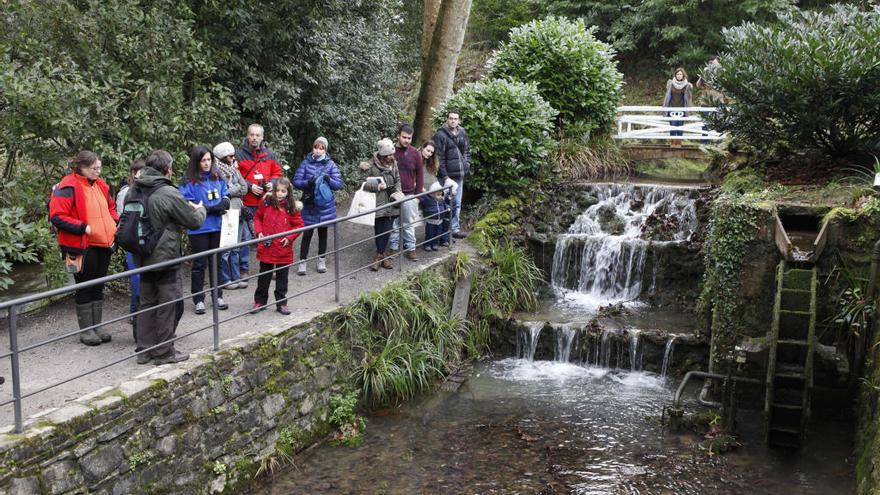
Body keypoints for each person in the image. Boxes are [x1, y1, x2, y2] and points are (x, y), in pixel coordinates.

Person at [132, 150, 206, 365]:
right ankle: (164, 352)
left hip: (142, 256)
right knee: (168, 302)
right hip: (164, 257)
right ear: (167, 170)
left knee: (146, 302)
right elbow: (193, 220)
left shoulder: (135, 189)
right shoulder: (166, 192)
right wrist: (200, 209)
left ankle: (144, 350)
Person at [49, 151, 118, 346]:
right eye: (94, 168)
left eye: (99, 167)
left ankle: (97, 326)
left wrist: (114, 222)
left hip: (104, 243)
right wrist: (83, 227)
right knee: (84, 286)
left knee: (98, 285)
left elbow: (111, 207)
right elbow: (57, 216)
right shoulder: (67, 186)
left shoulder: (101, 185)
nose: (98, 171)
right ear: (81, 167)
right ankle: (87, 330)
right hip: (80, 246)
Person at [179, 146, 230, 314]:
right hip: (198, 229)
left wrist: (206, 208)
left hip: (217, 226)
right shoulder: (188, 180)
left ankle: (218, 295)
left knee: (217, 262)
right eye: (203, 161)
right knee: (199, 264)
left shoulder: (218, 176)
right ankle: (198, 299)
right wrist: (213, 208)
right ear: (196, 162)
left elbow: (226, 201)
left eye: (209, 160)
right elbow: (189, 205)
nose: (207, 163)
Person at [236, 124, 283, 281]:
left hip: (266, 202)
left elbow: (277, 173)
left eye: (257, 135)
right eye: (252, 135)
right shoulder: (239, 154)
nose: (254, 138)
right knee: (245, 237)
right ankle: (244, 270)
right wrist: (250, 187)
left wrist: (272, 183)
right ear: (248, 136)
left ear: (262, 137)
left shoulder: (269, 154)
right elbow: (236, 177)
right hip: (247, 202)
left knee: (269, 234)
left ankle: (270, 267)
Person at [252, 178, 304, 315]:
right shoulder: (266, 203)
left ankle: (281, 303)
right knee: (264, 276)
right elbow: (257, 217)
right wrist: (259, 232)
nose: (279, 193)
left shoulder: (291, 207)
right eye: (277, 190)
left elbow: (299, 225)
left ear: (288, 192)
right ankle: (260, 301)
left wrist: (289, 237)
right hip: (267, 246)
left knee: (282, 278)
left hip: (283, 249)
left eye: (283, 191)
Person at [292, 136, 343, 275]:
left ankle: (321, 260)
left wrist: (329, 179)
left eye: (322, 148)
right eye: (316, 147)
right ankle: (302, 262)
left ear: (326, 150)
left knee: (323, 233)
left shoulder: (331, 164)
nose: (318, 151)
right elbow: (296, 181)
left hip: (325, 206)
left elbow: (339, 184)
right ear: (312, 148)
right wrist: (308, 182)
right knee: (307, 233)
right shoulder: (305, 163)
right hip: (309, 204)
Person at [360, 138, 403, 271]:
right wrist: (377, 186)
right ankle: (381, 256)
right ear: (382, 155)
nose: (392, 156)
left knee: (388, 229)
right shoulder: (370, 165)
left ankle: (379, 256)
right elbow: (361, 183)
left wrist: (397, 192)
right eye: (389, 155)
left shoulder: (393, 164)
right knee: (379, 230)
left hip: (391, 201)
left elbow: (397, 179)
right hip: (377, 202)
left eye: (392, 154)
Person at [213, 142, 249, 289]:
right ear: (222, 157)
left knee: (236, 246)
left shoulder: (234, 169)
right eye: (230, 156)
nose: (233, 158)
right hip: (227, 212)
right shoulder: (217, 171)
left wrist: (233, 189)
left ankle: (236, 276)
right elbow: (224, 190)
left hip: (238, 211)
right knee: (226, 247)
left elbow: (244, 187)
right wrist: (236, 189)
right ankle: (226, 278)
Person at [116, 158, 145, 328]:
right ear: (133, 173)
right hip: (133, 241)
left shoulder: (149, 189)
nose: (140, 174)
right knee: (136, 278)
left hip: (146, 240)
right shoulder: (125, 193)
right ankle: (135, 314)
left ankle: (141, 314)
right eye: (137, 171)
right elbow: (123, 219)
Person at [432, 109, 470, 239]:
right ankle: (442, 232)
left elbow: (467, 150)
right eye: (451, 118)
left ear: (459, 120)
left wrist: (467, 164)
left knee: (457, 203)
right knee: (444, 203)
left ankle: (454, 229)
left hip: (459, 174)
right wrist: (445, 176)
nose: (453, 120)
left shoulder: (462, 132)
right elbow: (439, 158)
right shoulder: (440, 135)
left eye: (455, 118)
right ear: (447, 119)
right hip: (447, 176)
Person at [388, 124, 424, 261]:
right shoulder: (390, 151)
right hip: (393, 194)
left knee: (408, 223)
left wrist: (418, 196)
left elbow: (420, 176)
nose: (407, 140)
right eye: (404, 137)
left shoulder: (415, 153)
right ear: (398, 135)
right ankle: (393, 248)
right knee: (394, 224)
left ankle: (411, 249)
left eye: (409, 138)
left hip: (410, 194)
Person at [420, 140, 456, 247]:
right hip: (425, 192)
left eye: (431, 152)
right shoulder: (416, 159)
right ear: (422, 148)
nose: (429, 154)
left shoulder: (431, 162)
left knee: (450, 206)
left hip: (435, 189)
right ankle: (436, 239)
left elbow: (438, 175)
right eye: (427, 151)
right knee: (439, 208)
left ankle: (443, 237)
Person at [662, 67, 693, 148]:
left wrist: (690, 88)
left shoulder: (687, 85)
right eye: (677, 74)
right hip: (671, 107)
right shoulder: (671, 83)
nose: (679, 76)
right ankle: (673, 142)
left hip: (682, 108)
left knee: (680, 125)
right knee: (672, 125)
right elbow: (667, 96)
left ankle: (679, 142)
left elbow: (689, 98)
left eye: (680, 74)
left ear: (683, 75)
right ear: (675, 75)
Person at [420, 182, 450, 252]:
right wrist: (422, 190)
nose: (440, 196)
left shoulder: (441, 200)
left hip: (439, 221)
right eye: (438, 194)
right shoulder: (428, 200)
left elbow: (446, 203)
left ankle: (435, 244)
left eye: (441, 194)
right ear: (432, 194)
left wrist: (448, 202)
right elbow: (423, 197)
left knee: (437, 233)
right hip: (430, 221)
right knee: (429, 234)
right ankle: (427, 244)